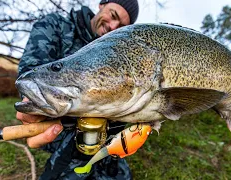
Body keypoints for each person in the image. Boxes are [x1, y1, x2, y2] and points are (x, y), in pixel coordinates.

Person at [16, 0, 139, 179]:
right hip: (62, 138)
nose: (113, 26)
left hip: (104, 140)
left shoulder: (120, 52)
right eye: (113, 15)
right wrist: (38, 107)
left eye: (121, 26)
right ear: (102, 5)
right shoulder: (56, 25)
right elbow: (32, 76)